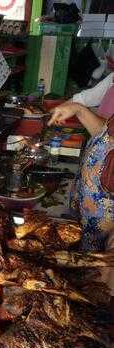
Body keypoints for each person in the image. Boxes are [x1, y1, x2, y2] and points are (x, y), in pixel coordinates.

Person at [48, 102, 114, 287]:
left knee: (100, 287)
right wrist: (79, 110)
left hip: (107, 228)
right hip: (88, 218)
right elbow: (105, 134)